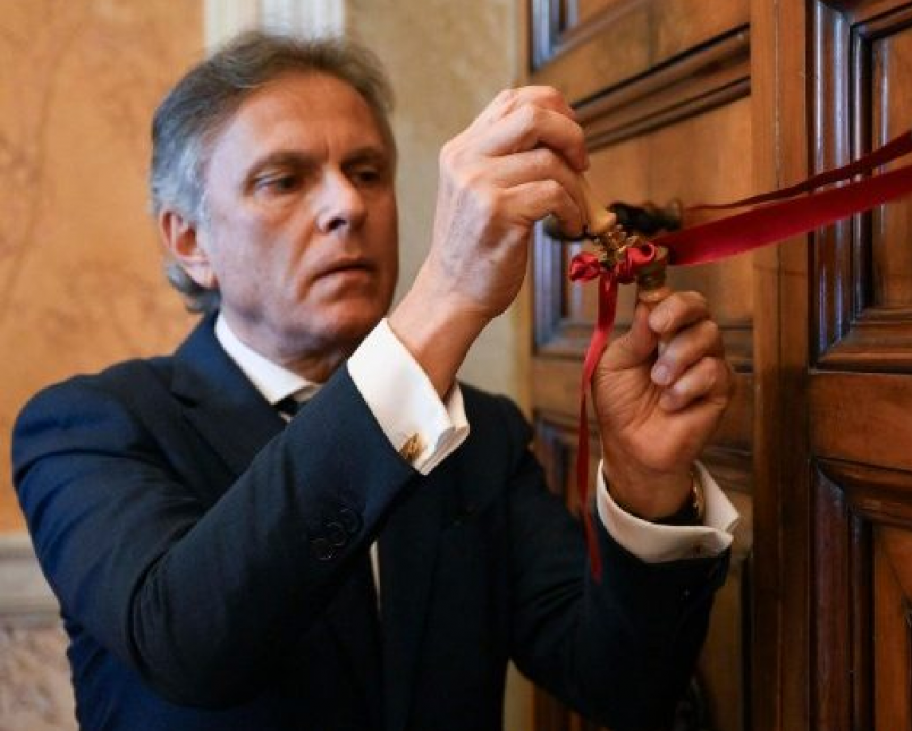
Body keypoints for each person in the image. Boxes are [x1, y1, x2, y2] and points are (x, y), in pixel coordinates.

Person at [12, 31, 737, 731]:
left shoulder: (483, 434)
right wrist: (445, 297)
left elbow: (622, 687)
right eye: (284, 180)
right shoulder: (89, 425)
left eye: (366, 173)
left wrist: (645, 485)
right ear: (191, 241)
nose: (348, 207)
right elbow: (190, 643)